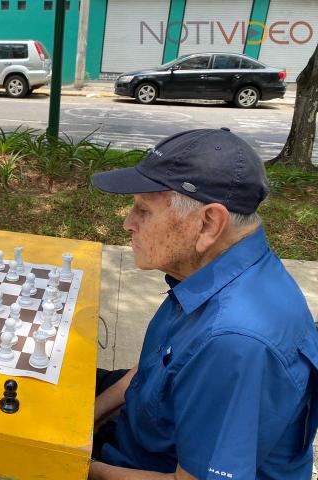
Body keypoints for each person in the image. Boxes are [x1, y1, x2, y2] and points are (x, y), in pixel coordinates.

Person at [89, 128, 318, 479]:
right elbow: (151, 369)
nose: (127, 223)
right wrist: (83, 421)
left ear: (209, 223)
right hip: (141, 431)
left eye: (143, 211)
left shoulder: (234, 341)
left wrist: (76, 466)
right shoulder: (215, 269)